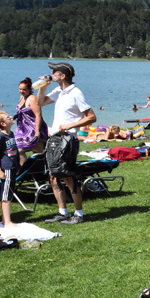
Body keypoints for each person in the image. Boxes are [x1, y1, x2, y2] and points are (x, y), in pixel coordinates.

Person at [37, 61, 96, 225]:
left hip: (68, 139)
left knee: (68, 176)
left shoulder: (76, 93)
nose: (51, 74)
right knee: (53, 176)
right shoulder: (59, 91)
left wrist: (70, 125)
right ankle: (62, 212)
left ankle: (79, 214)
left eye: (54, 72)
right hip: (55, 139)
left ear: (62, 76)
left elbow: (91, 117)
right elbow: (40, 102)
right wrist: (42, 87)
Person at [0, 111, 20, 228]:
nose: (11, 117)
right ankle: (7, 222)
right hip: (6, 168)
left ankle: (5, 220)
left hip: (12, 167)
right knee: (6, 194)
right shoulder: (1, 136)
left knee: (9, 193)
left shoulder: (11, 133)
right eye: (8, 117)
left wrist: (17, 166)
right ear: (3, 123)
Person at [14, 77, 49, 164]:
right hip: (23, 129)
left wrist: (37, 131)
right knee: (19, 150)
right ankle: (24, 169)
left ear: (29, 89)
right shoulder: (22, 97)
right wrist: (18, 127)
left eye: (24, 90)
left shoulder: (32, 99)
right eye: (20, 89)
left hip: (33, 128)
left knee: (37, 153)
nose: (22, 91)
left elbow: (38, 115)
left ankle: (42, 169)